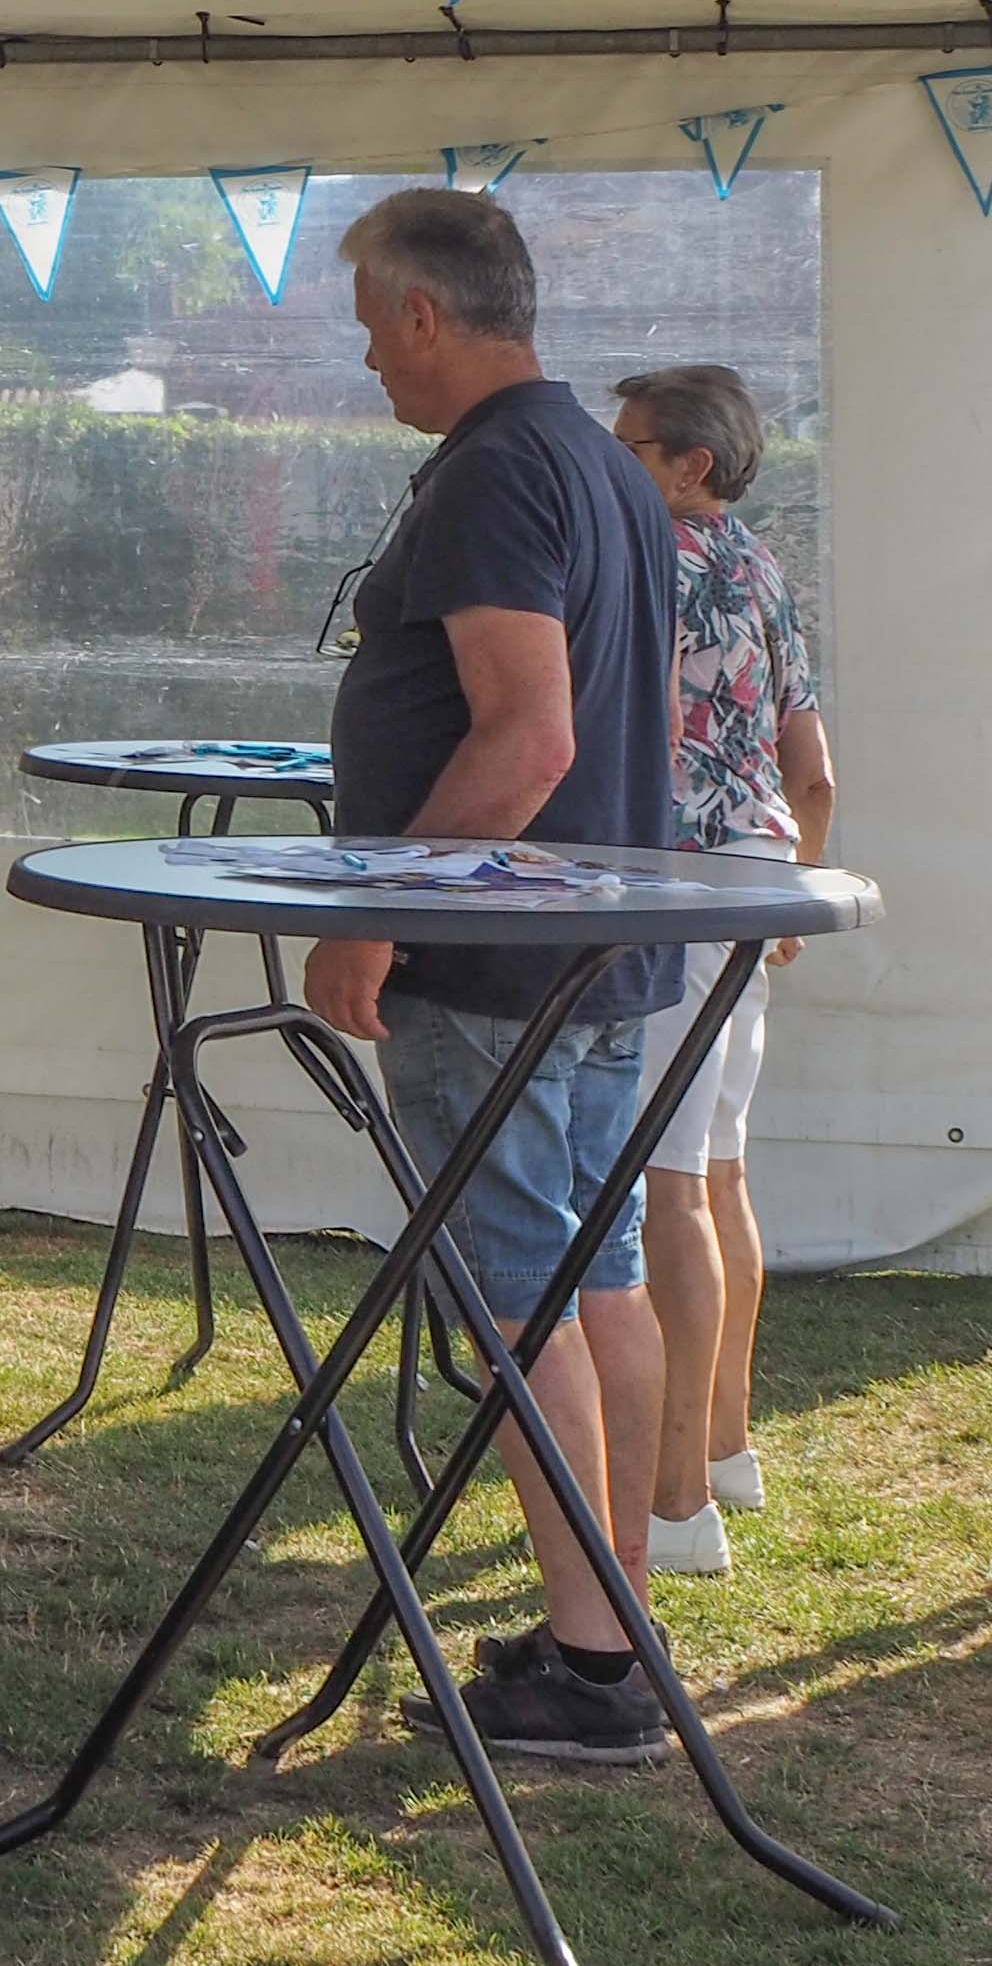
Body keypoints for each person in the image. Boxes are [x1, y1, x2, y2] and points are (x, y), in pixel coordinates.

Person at [300, 190, 679, 1766]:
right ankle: (618, 1621)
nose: (368, 359)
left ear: (424, 314)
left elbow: (529, 734)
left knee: (520, 1306)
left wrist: (379, 908)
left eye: (371, 325)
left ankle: (592, 1666)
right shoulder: (604, 462)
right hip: (597, 955)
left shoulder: (495, 470)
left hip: (492, 971)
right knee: (599, 1280)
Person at [608, 365, 837, 1577]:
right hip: (754, 878)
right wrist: (794, 882)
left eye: (630, 447)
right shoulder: (762, 566)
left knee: (669, 1185)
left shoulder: (652, 562)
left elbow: (628, 730)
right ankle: (728, 1446)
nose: (612, 464)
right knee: (721, 1168)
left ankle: (676, 1503)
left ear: (691, 463)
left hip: (677, 883)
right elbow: (816, 769)